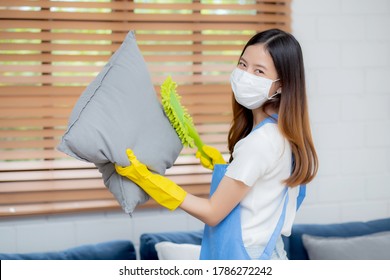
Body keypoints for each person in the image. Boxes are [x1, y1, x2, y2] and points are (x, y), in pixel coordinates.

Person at [115, 28, 319, 260]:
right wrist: (224, 166)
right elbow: (260, 190)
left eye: (258, 71)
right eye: (243, 64)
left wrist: (154, 183)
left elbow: (213, 213)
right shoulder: (283, 133)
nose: (245, 75)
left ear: (281, 85)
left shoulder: (260, 142)